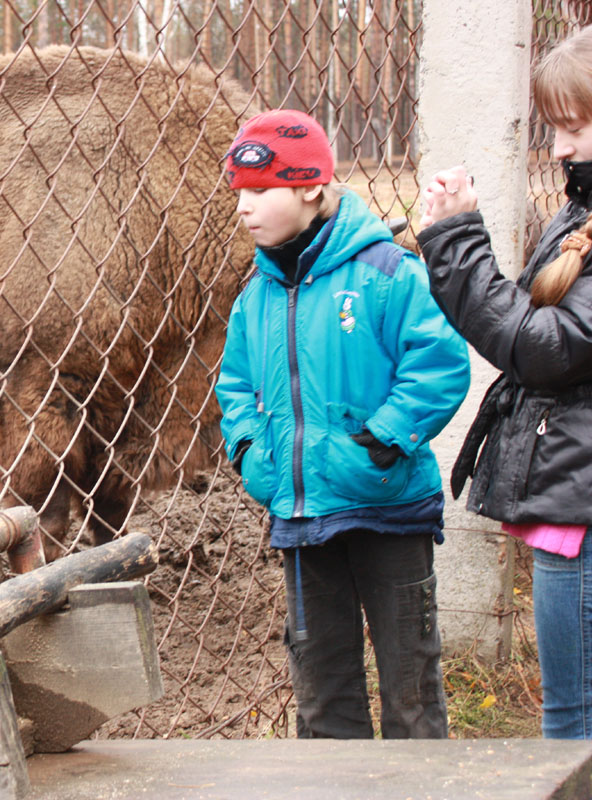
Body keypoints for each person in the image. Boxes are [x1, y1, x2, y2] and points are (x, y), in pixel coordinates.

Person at [215, 109, 471, 739]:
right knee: (323, 695)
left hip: (388, 509)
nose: (243, 208)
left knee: (411, 687)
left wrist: (386, 435)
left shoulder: (387, 273)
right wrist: (252, 451)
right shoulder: (256, 298)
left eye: (259, 192)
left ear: (309, 186)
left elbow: (439, 362)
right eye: (238, 194)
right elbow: (236, 388)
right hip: (302, 518)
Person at [418, 26, 592, 740]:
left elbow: (547, 349)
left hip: (582, 520)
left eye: (575, 126)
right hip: (575, 505)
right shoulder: (577, 214)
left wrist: (459, 245)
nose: (558, 149)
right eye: (553, 128)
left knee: (574, 725)